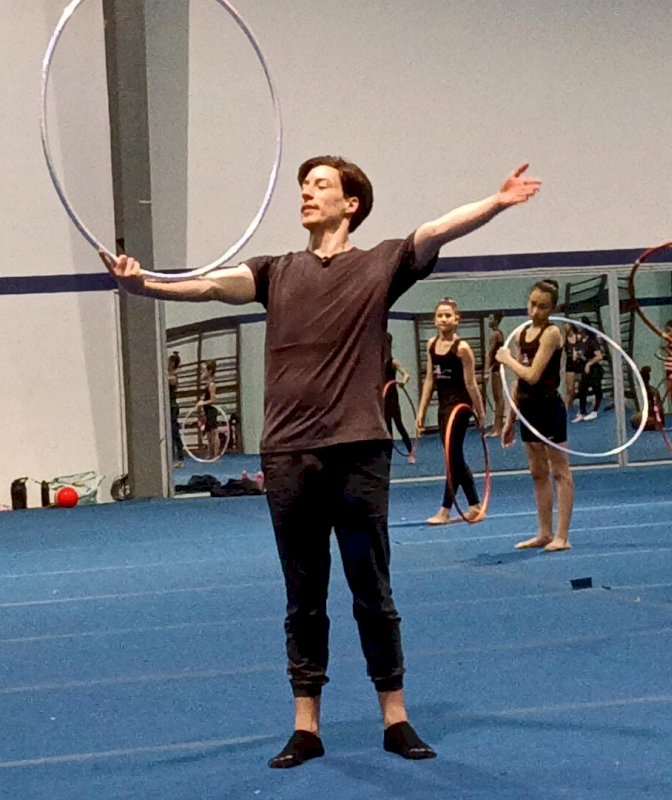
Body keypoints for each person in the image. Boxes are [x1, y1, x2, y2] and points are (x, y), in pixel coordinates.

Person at [101, 156, 540, 767]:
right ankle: (306, 726)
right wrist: (144, 284)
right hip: (288, 453)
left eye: (320, 185)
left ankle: (396, 718)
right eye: (304, 185)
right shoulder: (274, 271)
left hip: (358, 451)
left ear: (350, 204)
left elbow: (439, 228)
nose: (306, 193)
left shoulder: (382, 263)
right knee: (303, 594)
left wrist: (496, 201)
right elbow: (210, 285)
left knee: (372, 589)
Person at [496, 279, 574, 552]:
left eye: (542, 306)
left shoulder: (552, 333)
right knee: (537, 472)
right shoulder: (522, 334)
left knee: (560, 471)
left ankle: (562, 536)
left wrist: (507, 360)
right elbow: (519, 383)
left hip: (548, 407)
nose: (535, 311)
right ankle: (544, 532)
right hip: (528, 409)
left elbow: (532, 374)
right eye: (532, 304)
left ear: (553, 309)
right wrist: (509, 420)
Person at [416, 298, 486, 524]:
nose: (444, 319)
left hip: (459, 406)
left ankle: (445, 510)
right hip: (444, 407)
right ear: (434, 320)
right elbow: (430, 380)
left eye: (448, 315)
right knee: (455, 457)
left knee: (452, 456)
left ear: (457, 319)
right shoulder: (431, 345)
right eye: (440, 315)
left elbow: (471, 383)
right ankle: (474, 505)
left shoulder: (462, 349)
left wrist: (480, 413)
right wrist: (421, 410)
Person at [382, 332, 416, 463]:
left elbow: (406, 374)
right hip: (382, 398)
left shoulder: (393, 362)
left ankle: (411, 453)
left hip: (392, 396)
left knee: (399, 425)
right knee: (387, 428)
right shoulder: (377, 363)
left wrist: (403, 382)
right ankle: (388, 458)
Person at [573, 316, 604, 422]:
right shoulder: (580, 340)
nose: (578, 326)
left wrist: (589, 364)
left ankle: (595, 411)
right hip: (584, 369)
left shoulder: (592, 340)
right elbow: (579, 356)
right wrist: (577, 356)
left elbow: (599, 356)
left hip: (594, 369)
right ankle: (582, 411)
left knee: (596, 389)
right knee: (582, 390)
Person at [484, 312, 505, 437]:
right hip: (497, 367)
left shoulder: (495, 335)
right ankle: (497, 427)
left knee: (498, 398)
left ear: (496, 320)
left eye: (491, 318)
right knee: (498, 398)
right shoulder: (499, 333)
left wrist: (486, 371)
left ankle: (498, 428)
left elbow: (489, 354)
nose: (489, 320)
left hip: (496, 369)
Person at [196, 360, 220, 459]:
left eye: (204, 370)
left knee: (214, 432)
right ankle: (211, 454)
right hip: (207, 410)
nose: (202, 372)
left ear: (209, 372)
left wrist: (203, 402)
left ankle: (216, 455)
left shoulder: (212, 384)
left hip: (211, 410)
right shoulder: (208, 383)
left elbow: (214, 400)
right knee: (209, 433)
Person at [631, 366, 663, 431]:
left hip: (653, 416)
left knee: (635, 420)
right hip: (651, 415)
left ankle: (651, 423)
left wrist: (658, 422)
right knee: (634, 419)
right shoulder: (644, 390)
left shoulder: (651, 391)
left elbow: (658, 408)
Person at [168, 352, 185, 467]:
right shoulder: (170, 375)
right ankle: (172, 457)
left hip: (173, 407)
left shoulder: (173, 377)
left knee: (175, 433)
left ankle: (180, 458)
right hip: (168, 407)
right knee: (170, 434)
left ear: (173, 363)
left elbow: (167, 380)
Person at [563, 323, 583, 410]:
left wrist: (578, 354)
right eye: (565, 328)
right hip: (570, 364)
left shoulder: (578, 337)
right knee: (569, 389)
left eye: (567, 327)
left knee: (578, 388)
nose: (566, 329)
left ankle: (575, 406)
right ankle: (566, 408)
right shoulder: (565, 339)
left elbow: (583, 349)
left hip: (578, 364)